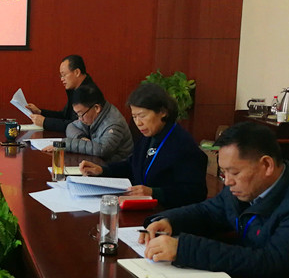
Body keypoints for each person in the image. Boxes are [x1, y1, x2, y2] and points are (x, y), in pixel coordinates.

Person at [140, 122, 289, 278]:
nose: (227, 181)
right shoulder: (246, 188)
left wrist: (184, 249)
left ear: (267, 165)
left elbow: (272, 263)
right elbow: (209, 211)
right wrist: (168, 220)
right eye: (223, 172)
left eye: (234, 173)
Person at [79, 83, 207, 208]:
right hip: (139, 207)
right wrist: (102, 170)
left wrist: (154, 193)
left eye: (142, 116)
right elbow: (132, 165)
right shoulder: (149, 136)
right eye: (134, 117)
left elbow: (196, 193)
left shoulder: (183, 145)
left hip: (166, 213)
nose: (138, 123)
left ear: (162, 112)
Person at [42, 84, 133, 163]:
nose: (80, 119)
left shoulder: (114, 123)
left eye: (81, 114)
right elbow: (71, 126)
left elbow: (102, 150)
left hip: (115, 171)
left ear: (97, 108)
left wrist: (65, 144)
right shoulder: (92, 114)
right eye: (77, 114)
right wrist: (81, 138)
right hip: (97, 164)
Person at [26, 55, 98, 132]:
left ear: (77, 72)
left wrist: (45, 122)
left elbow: (78, 126)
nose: (62, 79)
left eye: (64, 75)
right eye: (61, 76)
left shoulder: (88, 93)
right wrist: (40, 112)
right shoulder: (76, 90)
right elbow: (65, 115)